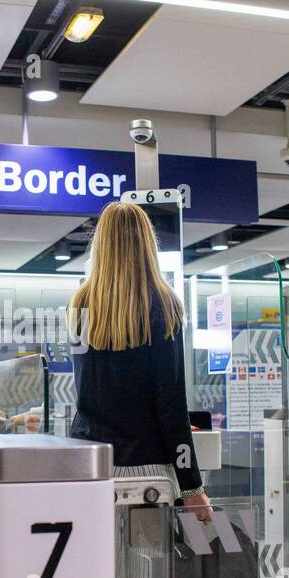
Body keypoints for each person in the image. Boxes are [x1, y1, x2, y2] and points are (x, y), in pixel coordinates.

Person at [68, 201, 210, 515]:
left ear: (101, 243)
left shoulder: (79, 304)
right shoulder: (162, 303)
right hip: (148, 475)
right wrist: (192, 486)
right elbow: (171, 403)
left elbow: (84, 394)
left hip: (90, 465)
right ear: (147, 243)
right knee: (151, 563)